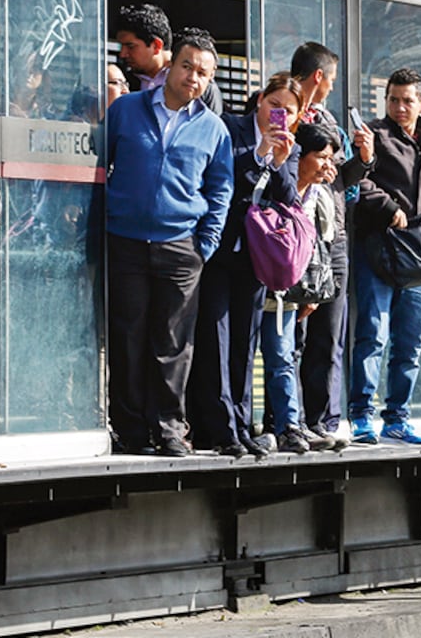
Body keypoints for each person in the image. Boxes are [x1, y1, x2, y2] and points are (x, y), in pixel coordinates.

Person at [105, 27, 232, 457]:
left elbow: (220, 189)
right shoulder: (126, 109)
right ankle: (129, 430)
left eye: (203, 73)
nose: (193, 77)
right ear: (171, 65)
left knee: (173, 344)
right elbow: (101, 164)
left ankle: (170, 430)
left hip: (181, 247)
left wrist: (205, 244)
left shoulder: (213, 129)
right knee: (127, 338)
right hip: (125, 240)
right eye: (187, 66)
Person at [349, 68, 421, 446]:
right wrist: (388, 208)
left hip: (418, 253)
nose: (399, 107)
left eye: (407, 101)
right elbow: (359, 179)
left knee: (410, 341)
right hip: (378, 249)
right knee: (373, 335)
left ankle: (397, 418)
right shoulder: (374, 133)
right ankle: (360, 416)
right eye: (393, 100)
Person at [188, 72, 301, 458]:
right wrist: (258, 154)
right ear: (260, 99)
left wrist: (279, 163)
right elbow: (222, 178)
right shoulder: (229, 128)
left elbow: (288, 199)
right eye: (273, 104)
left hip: (255, 256)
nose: (277, 114)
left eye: (288, 111)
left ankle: (241, 423)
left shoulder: (291, 147)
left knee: (244, 343)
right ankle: (220, 429)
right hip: (219, 250)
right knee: (216, 339)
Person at [290, 42, 372, 448]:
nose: (332, 87)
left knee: (330, 335)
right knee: (293, 336)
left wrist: (363, 159)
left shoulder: (328, 121)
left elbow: (338, 179)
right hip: (293, 236)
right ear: (318, 76)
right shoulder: (284, 112)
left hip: (332, 237)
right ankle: (288, 421)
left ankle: (323, 420)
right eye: (332, 79)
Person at [260, 123, 339, 453]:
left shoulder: (320, 197)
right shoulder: (270, 183)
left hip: (289, 292)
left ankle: (289, 427)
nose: (327, 165)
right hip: (258, 282)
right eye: (320, 156)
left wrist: (313, 294)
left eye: (330, 158)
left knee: (283, 357)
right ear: (298, 156)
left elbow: (322, 246)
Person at [114, 3, 224, 114]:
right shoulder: (122, 83)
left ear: (156, 45)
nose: (123, 54)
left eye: (130, 46)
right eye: (121, 46)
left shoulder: (197, 84)